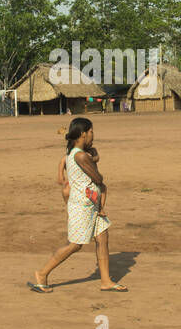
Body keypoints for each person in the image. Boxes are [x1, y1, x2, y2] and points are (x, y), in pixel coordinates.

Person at [30, 118, 124, 293]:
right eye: (91, 132)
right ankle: (42, 274)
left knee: (102, 239)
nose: (92, 136)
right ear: (83, 134)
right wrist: (94, 160)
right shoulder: (80, 155)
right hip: (82, 206)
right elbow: (98, 178)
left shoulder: (75, 154)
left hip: (91, 204)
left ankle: (106, 281)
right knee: (74, 245)